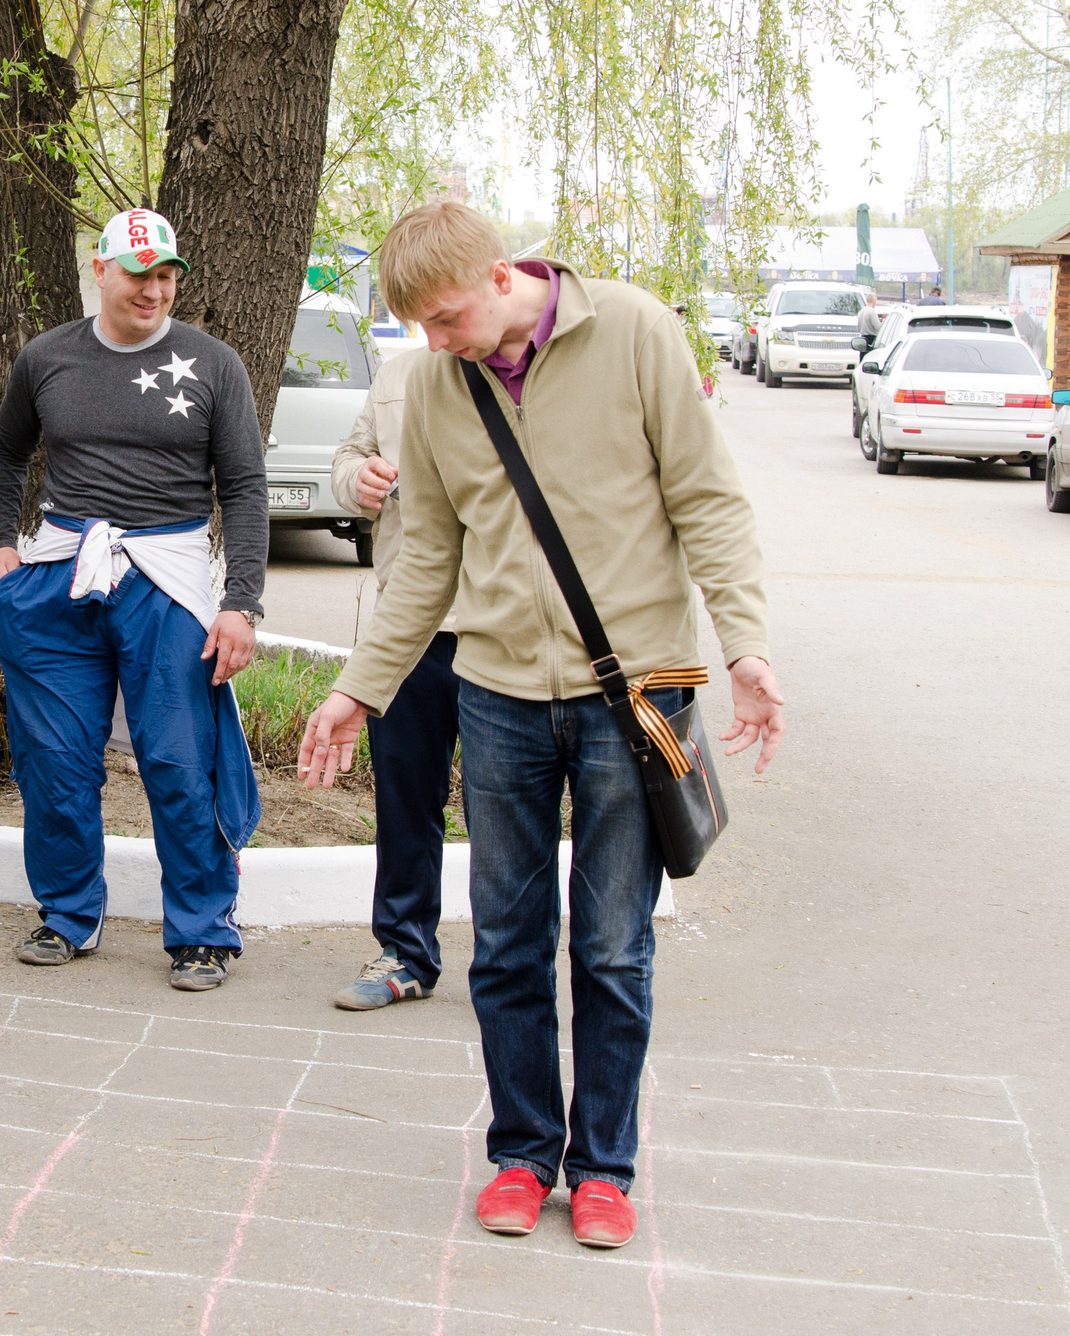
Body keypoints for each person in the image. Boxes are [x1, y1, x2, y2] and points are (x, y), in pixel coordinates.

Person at [298, 201, 785, 1248]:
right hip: (501, 692)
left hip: (647, 689)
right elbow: (424, 555)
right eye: (416, 326)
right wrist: (359, 688)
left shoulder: (638, 330)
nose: (433, 342)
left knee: (612, 945)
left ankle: (604, 1167)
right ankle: (521, 1154)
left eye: (445, 315)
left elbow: (708, 499)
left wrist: (742, 647)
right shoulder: (432, 386)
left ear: (498, 273)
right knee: (510, 945)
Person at [0, 207, 266, 992]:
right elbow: (4, 455)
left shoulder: (214, 365)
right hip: (62, 570)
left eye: (167, 275)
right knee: (55, 759)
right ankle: (70, 914)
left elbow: (243, 489)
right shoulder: (47, 358)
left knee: (178, 758)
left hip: (167, 578)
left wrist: (241, 602)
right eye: (140, 273)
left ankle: (203, 929)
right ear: (100, 270)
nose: (155, 289)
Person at [323, 346, 459, 1011]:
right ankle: (405, 953)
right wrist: (360, 481)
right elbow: (348, 459)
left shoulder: (522, 367)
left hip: (499, 625)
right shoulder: (399, 373)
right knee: (406, 798)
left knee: (509, 808)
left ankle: (512, 961)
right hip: (409, 627)